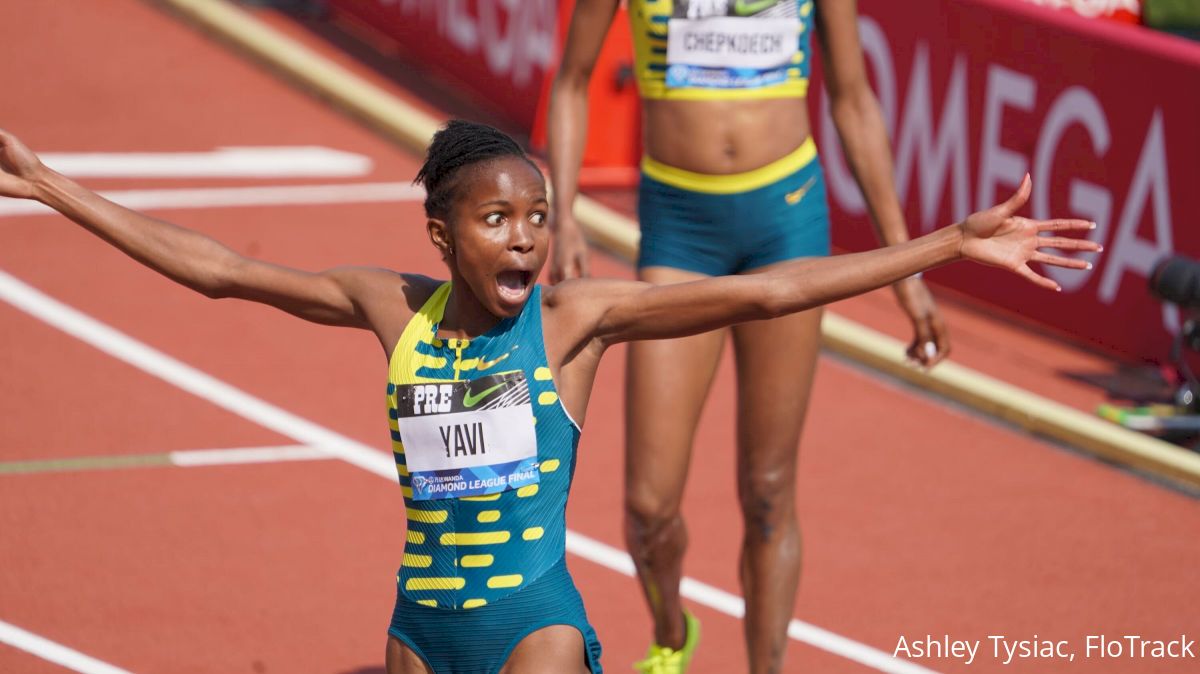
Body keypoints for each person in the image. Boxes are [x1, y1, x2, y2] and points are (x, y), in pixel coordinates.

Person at [0, 120, 1096, 674]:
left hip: (536, 631)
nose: (523, 235)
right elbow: (219, 269)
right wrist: (51, 187)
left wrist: (946, 244)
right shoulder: (394, 307)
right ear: (441, 233)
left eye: (535, 215)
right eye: (494, 219)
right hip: (418, 627)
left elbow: (766, 289)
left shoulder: (572, 323)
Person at [547, 1, 950, 670]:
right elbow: (570, 80)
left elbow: (853, 101)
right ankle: (673, 631)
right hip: (679, 226)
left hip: (785, 220)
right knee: (649, 507)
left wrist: (905, 270)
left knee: (767, 489)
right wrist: (564, 215)